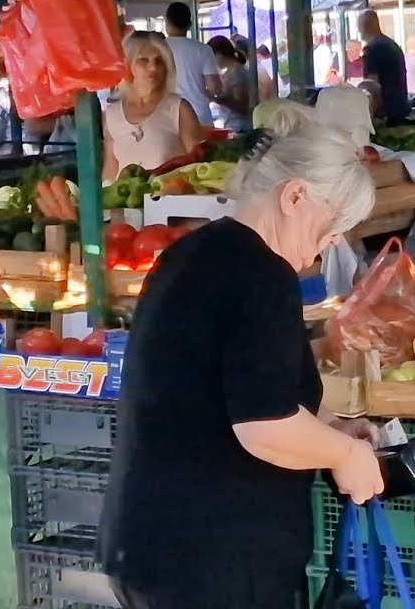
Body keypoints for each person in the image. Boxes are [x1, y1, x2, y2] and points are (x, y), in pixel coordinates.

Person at [99, 104, 384, 609]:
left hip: (156, 543)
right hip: (213, 560)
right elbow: (265, 425)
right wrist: (347, 457)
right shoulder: (260, 275)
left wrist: (333, 431)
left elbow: (240, 384)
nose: (335, 238)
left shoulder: (195, 252)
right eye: (335, 222)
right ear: (294, 197)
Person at [102, 31, 202, 179]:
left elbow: (199, 164)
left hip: (171, 192)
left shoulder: (179, 109)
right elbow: (110, 169)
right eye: (143, 60)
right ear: (127, 65)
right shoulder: (111, 114)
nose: (153, 68)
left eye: (159, 61)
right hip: (125, 194)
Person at [163, 2, 221, 125]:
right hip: (199, 115)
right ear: (189, 24)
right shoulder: (203, 49)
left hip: (168, 116)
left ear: (166, 22)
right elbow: (214, 88)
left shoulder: (158, 48)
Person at [358, 10, 409, 124]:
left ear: (366, 25)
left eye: (360, 25)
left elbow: (371, 86)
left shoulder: (372, 49)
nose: (359, 30)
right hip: (399, 109)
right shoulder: (392, 45)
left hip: (384, 114)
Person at [207, 35, 252, 133]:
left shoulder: (237, 73)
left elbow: (241, 106)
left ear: (219, 55)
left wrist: (215, 98)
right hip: (235, 123)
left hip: (240, 126)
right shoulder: (233, 71)